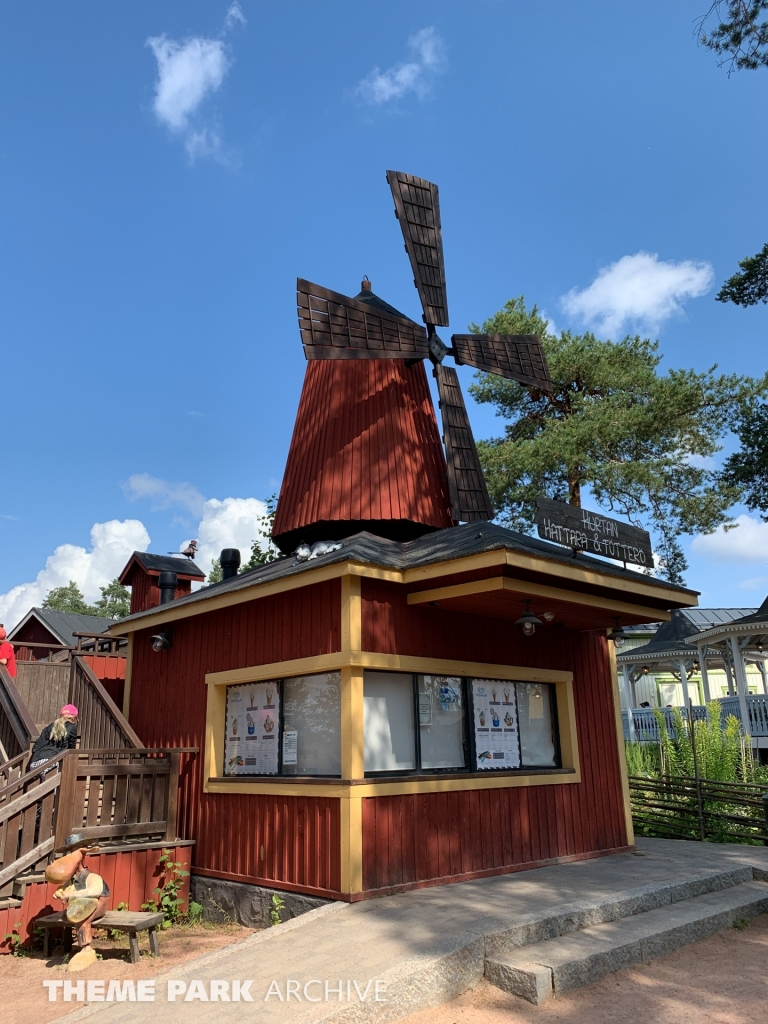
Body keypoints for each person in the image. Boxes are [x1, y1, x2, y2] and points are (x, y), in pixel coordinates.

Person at [29, 704, 79, 772]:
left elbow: (35, 747)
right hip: (51, 763)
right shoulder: (72, 727)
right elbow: (71, 748)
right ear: (74, 717)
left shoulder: (49, 727)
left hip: (34, 763)